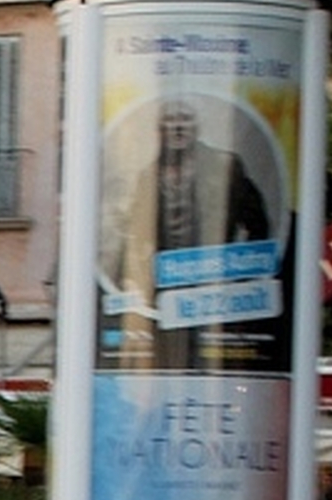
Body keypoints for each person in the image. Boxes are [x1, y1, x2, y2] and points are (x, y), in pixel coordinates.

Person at [103, 99, 274, 373]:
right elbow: (134, 239)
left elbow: (259, 224)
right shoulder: (147, 175)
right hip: (163, 298)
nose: (178, 126)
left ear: (197, 128)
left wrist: (242, 276)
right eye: (170, 120)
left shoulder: (225, 165)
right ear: (160, 130)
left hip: (215, 297)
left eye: (185, 119)